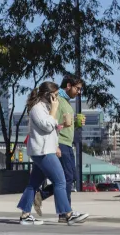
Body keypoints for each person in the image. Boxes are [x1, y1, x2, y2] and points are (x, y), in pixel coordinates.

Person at [16, 82, 87, 226]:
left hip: (46, 149)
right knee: (60, 181)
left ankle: (25, 214)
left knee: (33, 184)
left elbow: (51, 129)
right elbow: (47, 126)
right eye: (55, 95)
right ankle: (68, 214)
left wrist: (62, 127)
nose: (56, 99)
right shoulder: (37, 109)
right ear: (48, 95)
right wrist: (54, 110)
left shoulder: (45, 108)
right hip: (43, 152)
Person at [40, 76, 86, 209]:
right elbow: (51, 122)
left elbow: (64, 124)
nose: (79, 92)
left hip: (67, 143)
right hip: (61, 143)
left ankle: (41, 195)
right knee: (66, 178)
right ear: (68, 85)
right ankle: (65, 212)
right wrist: (55, 145)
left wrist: (76, 123)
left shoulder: (66, 102)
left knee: (70, 178)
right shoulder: (57, 100)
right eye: (77, 89)